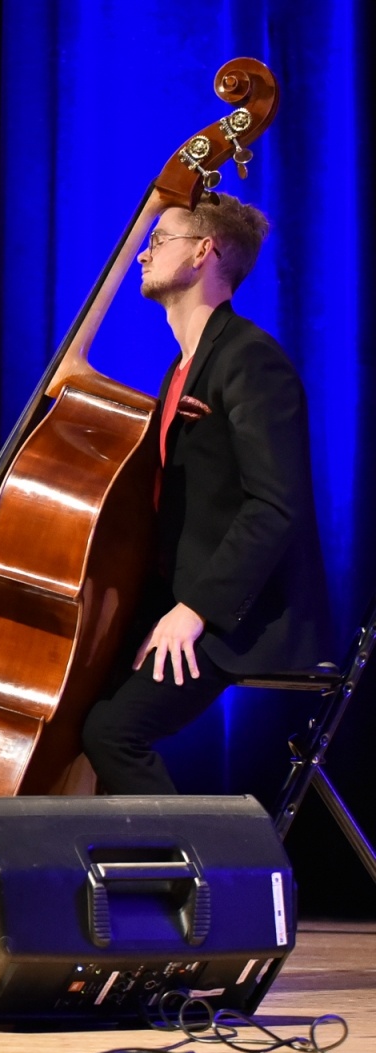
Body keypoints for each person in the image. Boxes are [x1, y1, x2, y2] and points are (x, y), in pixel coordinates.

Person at [80, 195, 333, 795]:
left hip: (233, 614)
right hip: (176, 599)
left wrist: (195, 611)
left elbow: (276, 507)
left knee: (114, 732)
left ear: (203, 251)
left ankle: (192, 885)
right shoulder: (180, 371)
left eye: (159, 238)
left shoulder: (250, 360)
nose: (143, 252)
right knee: (79, 708)